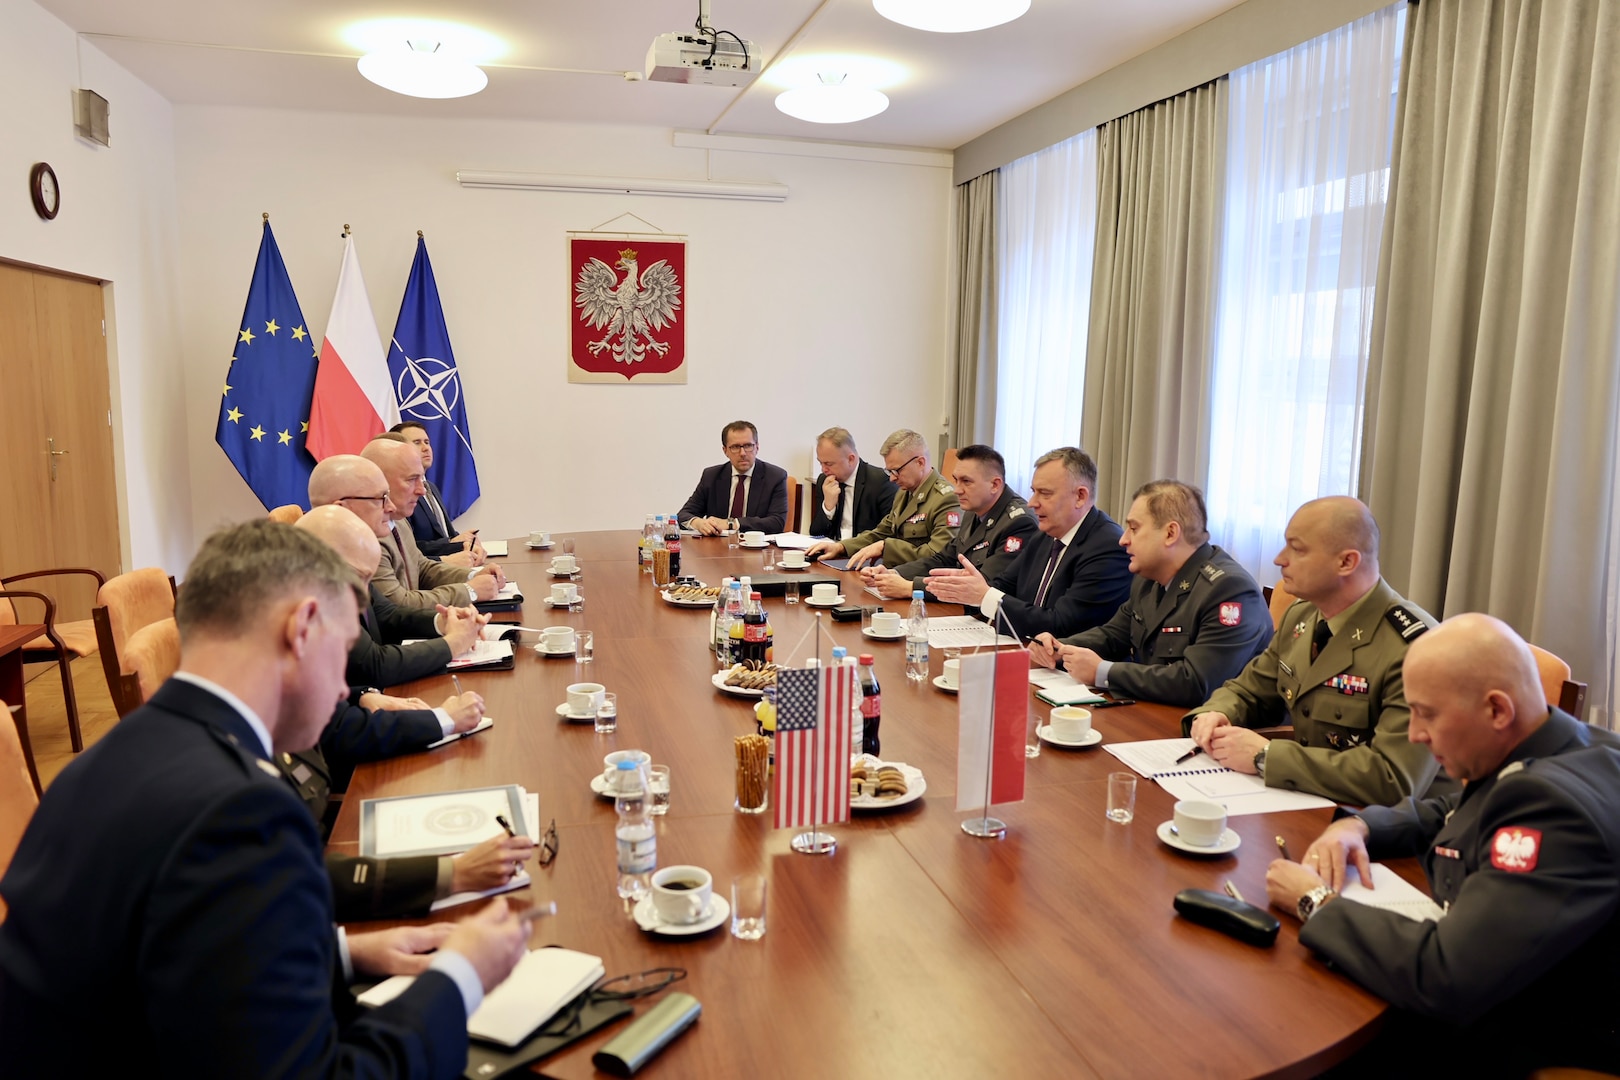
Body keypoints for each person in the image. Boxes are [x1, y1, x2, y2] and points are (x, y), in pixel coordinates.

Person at [0, 520, 529, 1076]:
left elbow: (187, 951)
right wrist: (463, 976)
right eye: (342, 650)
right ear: (300, 630)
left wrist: (339, 953)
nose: (345, 689)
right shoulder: (240, 809)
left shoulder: (108, 757)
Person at [1264, 614, 1620, 1074]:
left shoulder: (1551, 808)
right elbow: (1454, 809)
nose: (1415, 734)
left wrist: (1314, 901)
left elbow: (1445, 975)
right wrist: (1359, 827)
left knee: (1291, 1028)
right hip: (1508, 1000)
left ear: (1497, 710)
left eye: (1427, 713)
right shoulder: (1568, 746)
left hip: (1525, 1038)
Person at [1185, 496, 1440, 806]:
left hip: (1389, 825)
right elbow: (1249, 690)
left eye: (1297, 549)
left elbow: (1394, 779)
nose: (1279, 559)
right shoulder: (1302, 616)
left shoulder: (1417, 648)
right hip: (1309, 802)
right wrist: (1217, 713)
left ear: (1346, 562)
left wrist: (1266, 756)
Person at [1029, 480, 1271, 707]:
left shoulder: (1229, 590)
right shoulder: (1148, 578)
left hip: (1213, 727)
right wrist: (1060, 648)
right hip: (1154, 711)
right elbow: (1113, 635)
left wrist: (1104, 672)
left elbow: (1198, 683)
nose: (1123, 540)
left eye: (1134, 528)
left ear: (1170, 533)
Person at [925, 447, 1130, 640]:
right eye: (1033, 491)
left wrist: (984, 595)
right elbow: (1004, 586)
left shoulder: (1108, 547)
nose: (1032, 503)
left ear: (1080, 496)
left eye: (1045, 493)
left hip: (1069, 662)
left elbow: (1062, 624)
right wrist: (967, 587)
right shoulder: (1045, 536)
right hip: (1026, 648)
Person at [296, 503, 482, 688]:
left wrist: (442, 621)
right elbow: (373, 665)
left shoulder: (351, 564)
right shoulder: (313, 599)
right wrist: (452, 644)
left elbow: (387, 614)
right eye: (358, 579)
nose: (364, 592)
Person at [861, 444, 1036, 601]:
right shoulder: (973, 509)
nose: (957, 490)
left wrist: (911, 588)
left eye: (966, 481)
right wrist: (893, 573)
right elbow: (944, 558)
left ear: (995, 485)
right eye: (956, 480)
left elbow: (985, 586)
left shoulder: (1019, 523)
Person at [360, 439, 504, 611]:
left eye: (421, 479)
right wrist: (470, 591)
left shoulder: (399, 520)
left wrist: (474, 575)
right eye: (411, 479)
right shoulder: (366, 536)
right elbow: (397, 605)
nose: (422, 490)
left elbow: (421, 568)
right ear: (379, 482)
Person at [804, 429, 961, 569]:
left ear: (920, 463)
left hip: (923, 583)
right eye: (889, 472)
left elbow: (939, 555)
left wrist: (887, 547)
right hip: (894, 574)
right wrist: (841, 547)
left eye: (896, 471)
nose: (892, 478)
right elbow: (881, 532)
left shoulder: (946, 499)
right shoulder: (904, 493)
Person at [391, 421, 484, 566]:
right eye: (417, 443)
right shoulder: (400, 493)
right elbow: (410, 548)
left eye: (427, 442)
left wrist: (466, 542)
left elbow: (446, 533)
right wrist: (453, 543)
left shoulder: (431, 487)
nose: (426, 448)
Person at [678, 420, 789, 535]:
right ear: (725, 451)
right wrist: (699, 523)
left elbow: (777, 522)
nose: (742, 453)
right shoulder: (711, 476)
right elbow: (682, 515)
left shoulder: (775, 477)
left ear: (757, 447)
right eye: (735, 447)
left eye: (748, 446)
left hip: (756, 544)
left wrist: (732, 524)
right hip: (718, 544)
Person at [808, 426, 898, 540]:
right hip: (831, 549)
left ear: (850, 459)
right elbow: (815, 533)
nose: (823, 469)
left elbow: (890, 534)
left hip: (863, 548)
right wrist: (828, 507)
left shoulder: (880, 482)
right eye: (820, 463)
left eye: (829, 464)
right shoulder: (824, 481)